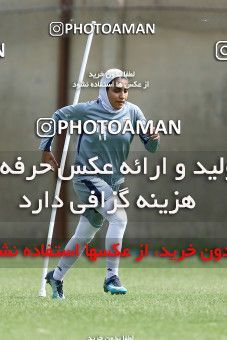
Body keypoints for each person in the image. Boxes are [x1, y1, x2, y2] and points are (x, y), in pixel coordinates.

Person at [40, 68, 160, 299]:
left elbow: (150, 147)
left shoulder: (133, 112)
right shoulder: (87, 110)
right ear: (105, 90)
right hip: (87, 177)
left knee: (84, 235)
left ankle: (56, 276)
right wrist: (45, 148)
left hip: (113, 181)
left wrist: (154, 138)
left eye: (125, 90)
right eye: (116, 90)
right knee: (119, 217)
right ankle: (111, 277)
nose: (122, 95)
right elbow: (56, 116)